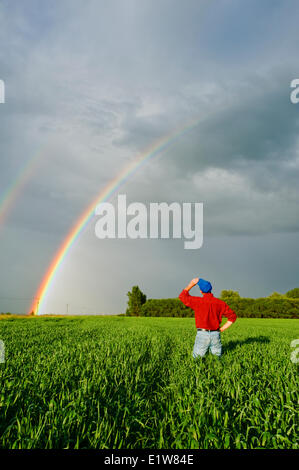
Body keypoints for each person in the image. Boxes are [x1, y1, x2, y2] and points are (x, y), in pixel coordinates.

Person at [179, 277, 237, 359]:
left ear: (201, 291)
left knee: (197, 361)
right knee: (217, 361)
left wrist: (191, 284)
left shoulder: (197, 301)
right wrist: (221, 329)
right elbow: (232, 317)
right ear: (211, 290)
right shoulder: (220, 303)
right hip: (216, 334)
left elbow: (182, 296)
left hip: (202, 334)